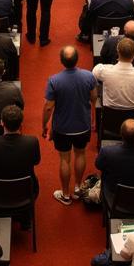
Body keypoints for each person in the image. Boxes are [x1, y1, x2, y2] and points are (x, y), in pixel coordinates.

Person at [43, 46, 97, 205]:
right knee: (80, 154)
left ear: (61, 61)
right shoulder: (89, 76)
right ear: (77, 59)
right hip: (83, 125)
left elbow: (48, 107)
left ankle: (65, 195)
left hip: (62, 128)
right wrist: (93, 120)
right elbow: (94, 98)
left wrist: (44, 126)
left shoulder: (54, 80)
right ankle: (78, 187)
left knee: (64, 159)